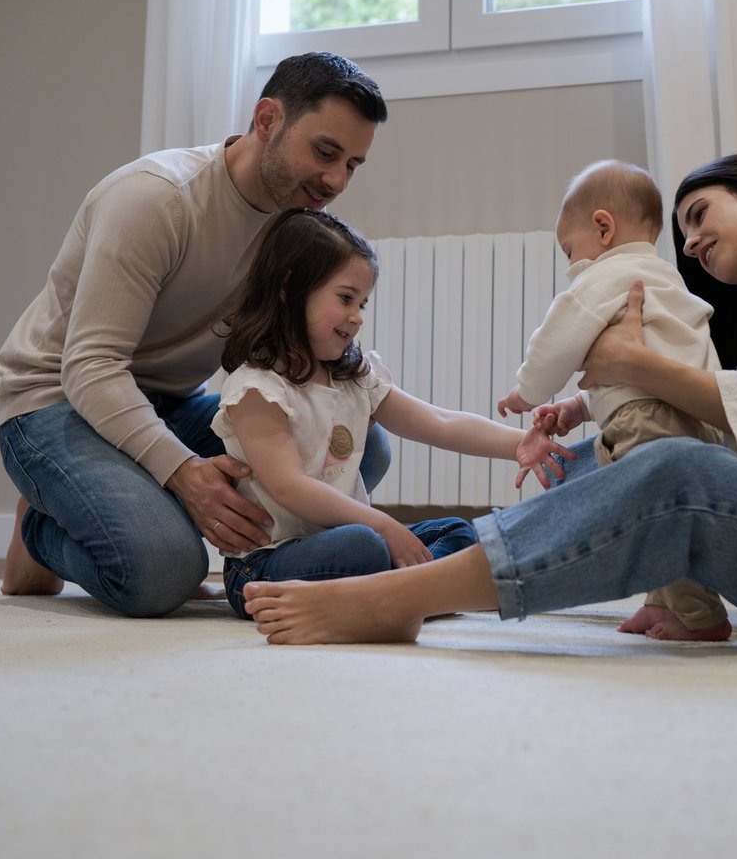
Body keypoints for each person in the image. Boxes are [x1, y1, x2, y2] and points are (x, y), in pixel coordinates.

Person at [240, 153, 737, 648]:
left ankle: (398, 598)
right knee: (639, 464)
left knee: (670, 471)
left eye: (701, 214)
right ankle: (657, 602)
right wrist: (605, 410)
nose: (689, 241)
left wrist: (622, 368)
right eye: (681, 230)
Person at [0, 52, 390, 618]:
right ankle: (43, 523)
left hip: (171, 404)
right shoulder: (155, 200)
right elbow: (90, 368)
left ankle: (132, 509)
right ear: (267, 120)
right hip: (55, 402)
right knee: (162, 574)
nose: (335, 180)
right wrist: (184, 474)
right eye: (325, 152)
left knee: (359, 445)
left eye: (353, 164)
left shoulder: (295, 226)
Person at [212, 208, 572, 619]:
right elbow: (290, 488)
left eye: (362, 303)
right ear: (289, 288)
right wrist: (385, 526)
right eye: (346, 298)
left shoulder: (353, 375)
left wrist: (519, 444)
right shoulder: (257, 388)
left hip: (343, 539)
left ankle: (392, 591)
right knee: (364, 546)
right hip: (264, 565)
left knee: (460, 534)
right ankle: (408, 590)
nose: (357, 316)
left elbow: (439, 422)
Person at [494, 160, 729, 641]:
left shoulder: (605, 275)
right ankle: (659, 603)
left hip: (645, 422)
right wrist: (578, 408)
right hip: (695, 417)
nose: (570, 263)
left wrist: (528, 390)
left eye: (569, 249)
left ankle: (700, 616)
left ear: (603, 227)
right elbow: (640, 369)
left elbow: (558, 339)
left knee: (656, 521)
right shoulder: (664, 279)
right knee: (656, 517)